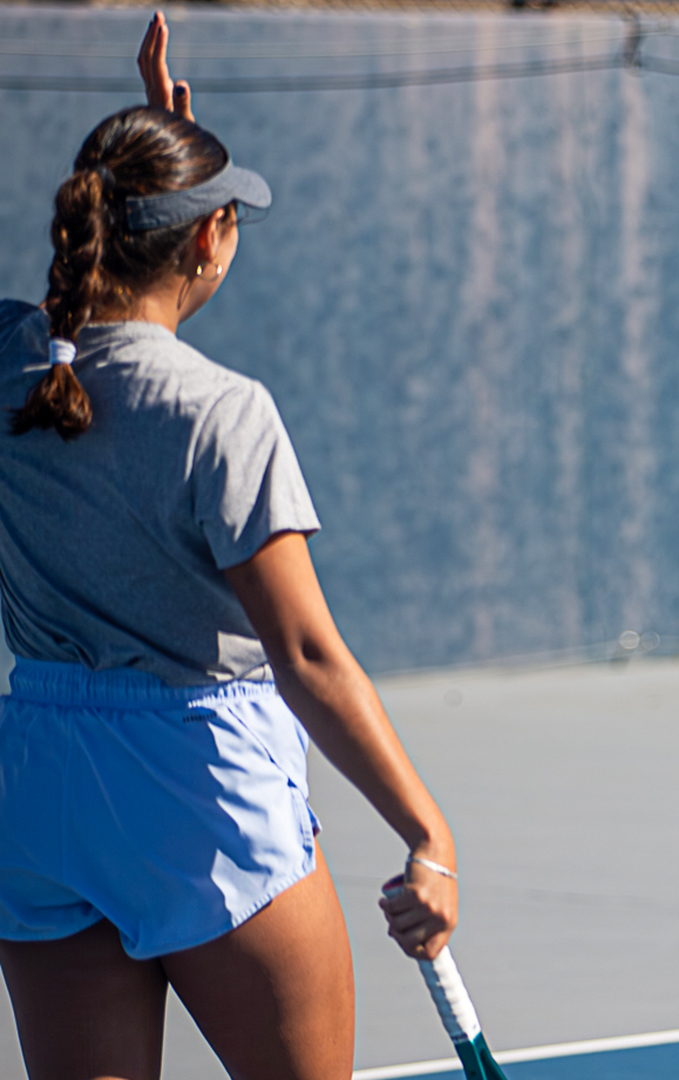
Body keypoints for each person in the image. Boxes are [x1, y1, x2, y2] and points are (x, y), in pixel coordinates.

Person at [0, 15, 457, 1080]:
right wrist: (427, 833)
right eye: (227, 215)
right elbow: (305, 657)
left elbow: (64, 317)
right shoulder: (223, 414)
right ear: (208, 242)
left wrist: (154, 150)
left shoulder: (13, 360)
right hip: (198, 787)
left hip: (42, 787)